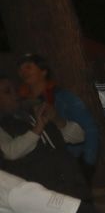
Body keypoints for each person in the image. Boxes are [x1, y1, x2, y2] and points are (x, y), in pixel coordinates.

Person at [0, 72, 89, 200]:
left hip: (73, 185)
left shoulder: (34, 110)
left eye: (15, 89)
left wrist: (57, 119)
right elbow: (10, 152)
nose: (15, 95)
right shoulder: (3, 126)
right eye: (7, 92)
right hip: (41, 196)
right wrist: (38, 128)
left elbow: (78, 137)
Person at [17, 54, 100, 180]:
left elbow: (90, 129)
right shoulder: (19, 104)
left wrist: (87, 163)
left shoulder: (63, 97)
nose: (23, 72)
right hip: (39, 168)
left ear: (43, 71)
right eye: (21, 69)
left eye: (28, 67)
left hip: (71, 162)